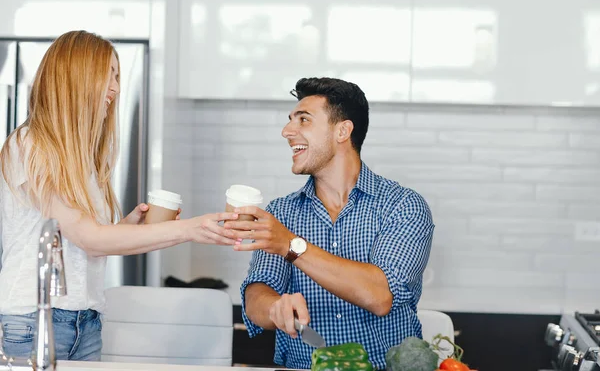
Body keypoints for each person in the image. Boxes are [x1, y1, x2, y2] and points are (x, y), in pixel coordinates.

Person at [0, 30, 239, 361]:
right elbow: (90, 239)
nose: (115, 88)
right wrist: (190, 229)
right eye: (106, 75)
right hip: (32, 321)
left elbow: (86, 244)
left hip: (87, 320)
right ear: (76, 78)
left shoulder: (82, 159)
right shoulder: (29, 145)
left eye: (117, 76)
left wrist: (130, 227)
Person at [226, 77, 435, 370]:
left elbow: (379, 295)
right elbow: (257, 293)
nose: (287, 131)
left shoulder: (402, 206)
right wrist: (274, 307)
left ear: (342, 131)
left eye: (304, 120)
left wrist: (291, 245)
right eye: (290, 120)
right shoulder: (282, 212)